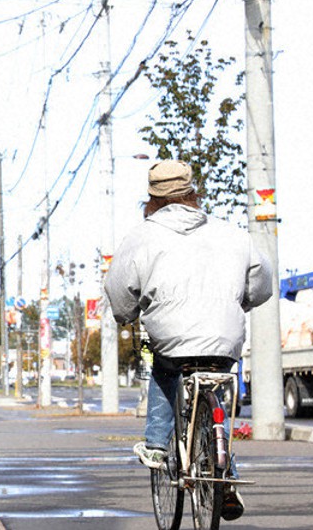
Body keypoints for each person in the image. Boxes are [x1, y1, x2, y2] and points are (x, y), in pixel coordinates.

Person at [104, 159, 272, 521]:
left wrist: (126, 314)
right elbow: (262, 282)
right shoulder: (232, 233)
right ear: (193, 192)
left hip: (170, 338)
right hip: (224, 336)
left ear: (152, 198)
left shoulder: (141, 235)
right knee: (215, 393)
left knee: (164, 370)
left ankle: (156, 447)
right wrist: (240, 301)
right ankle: (225, 473)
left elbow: (119, 290)